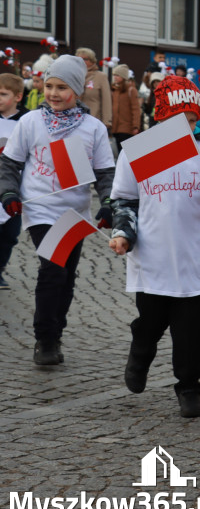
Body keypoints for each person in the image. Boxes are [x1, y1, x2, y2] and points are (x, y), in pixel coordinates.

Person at [109, 74, 200, 418]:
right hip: (152, 257)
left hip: (192, 258)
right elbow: (125, 201)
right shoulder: (141, 150)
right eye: (178, 121)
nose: (186, 128)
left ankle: (189, 387)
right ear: (160, 117)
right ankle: (141, 352)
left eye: (192, 121)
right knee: (151, 321)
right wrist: (124, 234)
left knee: (191, 330)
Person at [0, 55, 116, 365]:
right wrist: (8, 191)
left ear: (77, 90)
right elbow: (9, 164)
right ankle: (45, 340)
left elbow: (106, 173)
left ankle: (56, 331)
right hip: (39, 210)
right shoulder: (30, 122)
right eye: (49, 85)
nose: (53, 93)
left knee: (65, 276)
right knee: (52, 270)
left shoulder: (92, 128)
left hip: (74, 213)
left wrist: (108, 204)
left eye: (62, 87)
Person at [0, 72, 27, 290]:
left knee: (9, 235)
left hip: (14, 188)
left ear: (18, 97)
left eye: (3, 94)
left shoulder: (27, 122)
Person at [75, 48, 113, 133]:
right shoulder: (73, 76)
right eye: (79, 59)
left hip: (93, 122)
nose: (82, 61)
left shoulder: (100, 76)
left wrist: (107, 122)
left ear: (92, 61)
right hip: (74, 122)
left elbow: (106, 101)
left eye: (85, 59)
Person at [110, 65, 140, 155]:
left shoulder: (131, 90)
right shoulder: (114, 90)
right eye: (114, 75)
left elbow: (136, 109)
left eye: (117, 75)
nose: (115, 77)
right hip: (115, 128)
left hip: (127, 128)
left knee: (126, 153)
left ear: (123, 77)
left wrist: (135, 126)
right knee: (119, 153)